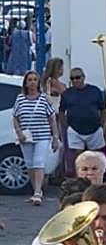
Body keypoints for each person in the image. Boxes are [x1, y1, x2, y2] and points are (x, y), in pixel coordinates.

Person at [12, 69, 59, 205]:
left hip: (42, 136)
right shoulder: (20, 99)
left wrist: (54, 137)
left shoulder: (44, 99)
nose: (32, 83)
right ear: (26, 83)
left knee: (39, 162)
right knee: (29, 164)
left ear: (38, 83)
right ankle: (36, 191)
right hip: (26, 137)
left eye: (34, 80)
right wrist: (19, 132)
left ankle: (38, 192)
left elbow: (52, 119)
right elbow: (15, 117)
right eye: (29, 80)